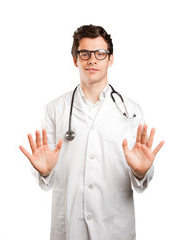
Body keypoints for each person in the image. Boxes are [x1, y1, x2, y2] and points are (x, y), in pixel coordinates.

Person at [19, 24, 164, 240]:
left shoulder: (131, 112)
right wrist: (45, 171)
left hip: (115, 227)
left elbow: (141, 181)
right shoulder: (54, 109)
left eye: (100, 53)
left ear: (110, 59)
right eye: (85, 54)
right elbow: (45, 178)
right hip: (69, 226)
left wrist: (142, 171)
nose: (92, 60)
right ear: (75, 59)